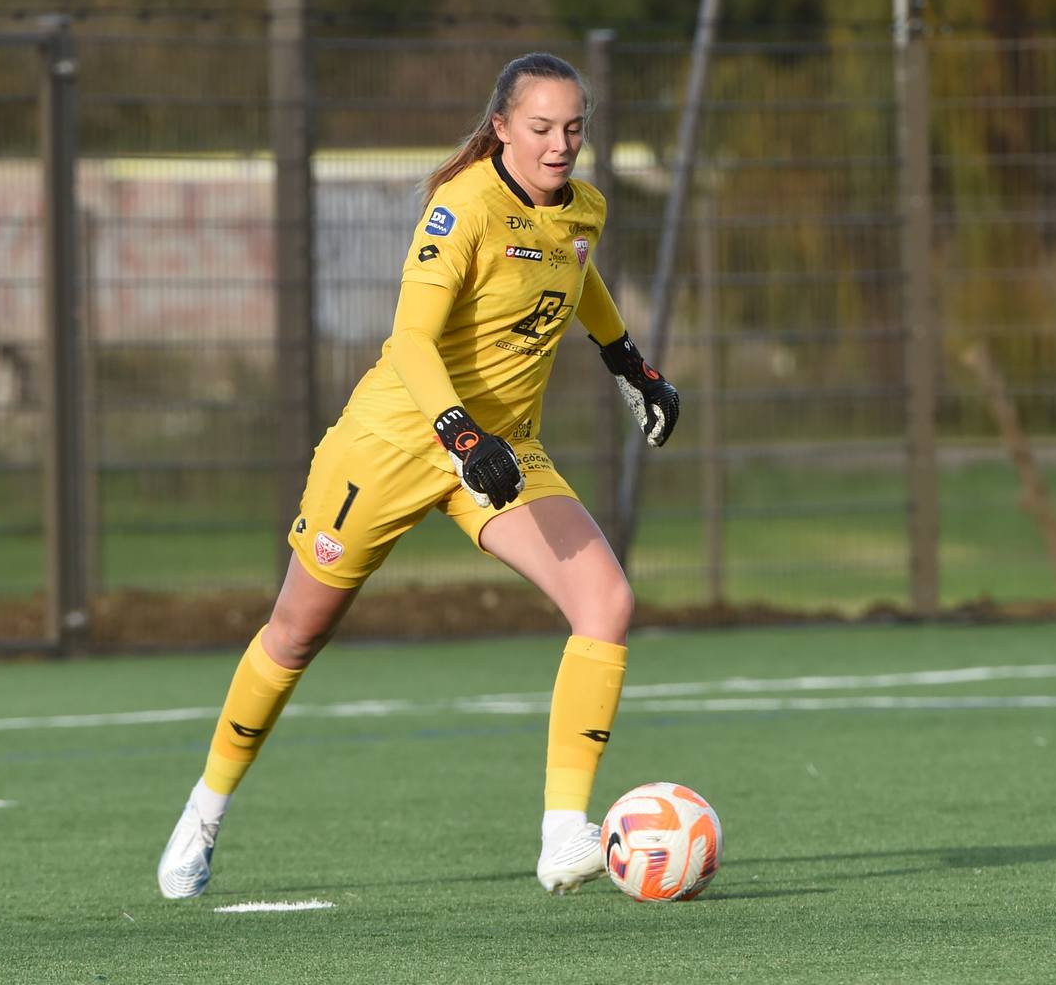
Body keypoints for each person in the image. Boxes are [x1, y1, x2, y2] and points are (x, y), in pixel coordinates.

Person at [156, 52, 680, 899]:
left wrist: (629, 362)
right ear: (501, 127)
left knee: (606, 601)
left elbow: (574, 268)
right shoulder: (463, 205)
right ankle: (204, 810)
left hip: (503, 449)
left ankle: (562, 834)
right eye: (540, 128)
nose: (559, 145)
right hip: (396, 443)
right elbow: (410, 338)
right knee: (296, 632)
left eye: (573, 128)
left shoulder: (584, 207)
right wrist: (461, 435)